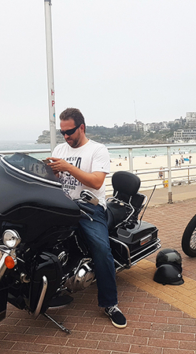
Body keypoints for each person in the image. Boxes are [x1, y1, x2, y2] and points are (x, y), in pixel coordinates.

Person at [47, 108, 127, 328]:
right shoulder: (59, 148)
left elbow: (96, 182)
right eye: (62, 132)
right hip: (62, 205)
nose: (66, 137)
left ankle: (110, 304)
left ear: (81, 127)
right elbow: (56, 180)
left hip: (89, 208)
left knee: (101, 249)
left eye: (70, 131)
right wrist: (52, 172)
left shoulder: (97, 150)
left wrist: (67, 167)